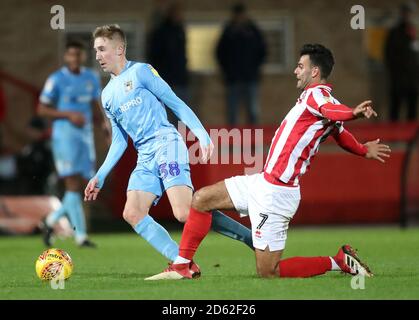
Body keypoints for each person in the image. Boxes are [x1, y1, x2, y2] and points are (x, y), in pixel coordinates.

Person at [146, 43, 392, 280]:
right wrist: (362, 149)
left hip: (277, 194)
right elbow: (340, 132)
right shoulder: (318, 101)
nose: (296, 70)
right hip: (262, 182)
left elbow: (334, 115)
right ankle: (181, 266)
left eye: (300, 66)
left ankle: (337, 261)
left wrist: (353, 114)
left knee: (268, 272)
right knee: (201, 199)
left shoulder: (316, 96)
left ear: (314, 71)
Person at [85, 25, 253, 266]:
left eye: (102, 49)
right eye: (96, 50)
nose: (98, 55)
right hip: (145, 156)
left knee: (184, 212)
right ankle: (182, 262)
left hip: (167, 144)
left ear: (120, 48)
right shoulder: (107, 94)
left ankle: (249, 237)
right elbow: (121, 138)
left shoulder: (141, 72)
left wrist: (201, 135)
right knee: (132, 213)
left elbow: (175, 102)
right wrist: (100, 175)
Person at [38, 40, 108, 248]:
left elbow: (96, 105)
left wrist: (105, 128)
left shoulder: (91, 78)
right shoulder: (57, 79)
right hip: (64, 137)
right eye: (71, 55)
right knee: (72, 185)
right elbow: (42, 109)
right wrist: (68, 114)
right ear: (66, 57)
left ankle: (50, 221)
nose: (75, 58)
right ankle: (81, 236)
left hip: (84, 139)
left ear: (83, 56)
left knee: (78, 186)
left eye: (78, 55)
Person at [216, 2, 266, 125]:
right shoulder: (228, 32)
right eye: (237, 15)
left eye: (241, 15)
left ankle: (254, 142)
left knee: (252, 112)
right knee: (232, 112)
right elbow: (219, 52)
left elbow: (262, 51)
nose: (240, 18)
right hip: (233, 79)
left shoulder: (253, 31)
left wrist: (255, 69)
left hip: (250, 78)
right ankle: (233, 142)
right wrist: (227, 71)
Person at [384, 2, 419, 121]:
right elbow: (389, 55)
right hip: (399, 78)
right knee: (396, 107)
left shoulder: (414, 31)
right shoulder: (395, 32)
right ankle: (393, 137)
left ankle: (410, 139)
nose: (407, 15)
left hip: (413, 79)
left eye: (410, 12)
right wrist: (395, 73)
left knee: (412, 108)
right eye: (405, 12)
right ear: (402, 13)